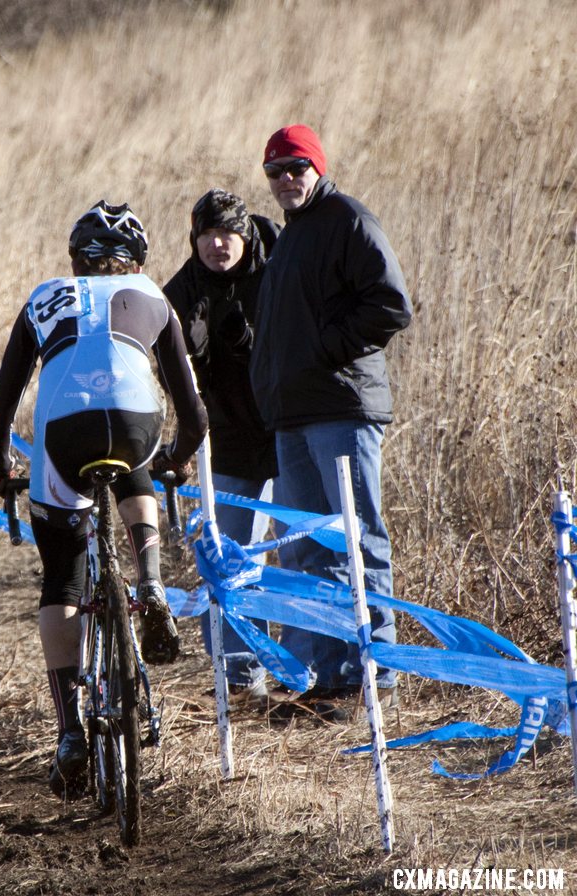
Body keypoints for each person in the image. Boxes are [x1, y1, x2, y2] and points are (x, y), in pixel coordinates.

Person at [0, 200, 207, 795]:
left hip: (64, 434)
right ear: (137, 261)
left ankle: (68, 731)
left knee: (62, 578)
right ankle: (152, 581)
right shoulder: (154, 296)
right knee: (137, 461)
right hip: (136, 424)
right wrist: (176, 460)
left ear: (76, 261)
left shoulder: (44, 298)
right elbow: (195, 414)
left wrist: (4, 473)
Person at [249, 124, 413, 722]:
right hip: (295, 415)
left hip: (342, 409)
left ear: (317, 167)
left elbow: (392, 304)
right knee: (310, 548)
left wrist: (325, 349)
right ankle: (331, 682)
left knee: (355, 538)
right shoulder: (291, 236)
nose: (286, 179)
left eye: (296, 167)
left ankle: (374, 677)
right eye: (275, 171)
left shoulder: (347, 219)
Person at [163, 188, 280, 709]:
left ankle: (315, 673)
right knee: (231, 560)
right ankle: (240, 677)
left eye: (226, 234)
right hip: (227, 441)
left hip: (288, 429)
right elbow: (166, 369)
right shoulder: (182, 291)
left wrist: (256, 342)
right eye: (206, 235)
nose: (217, 244)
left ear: (245, 234)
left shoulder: (276, 268)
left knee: (307, 554)